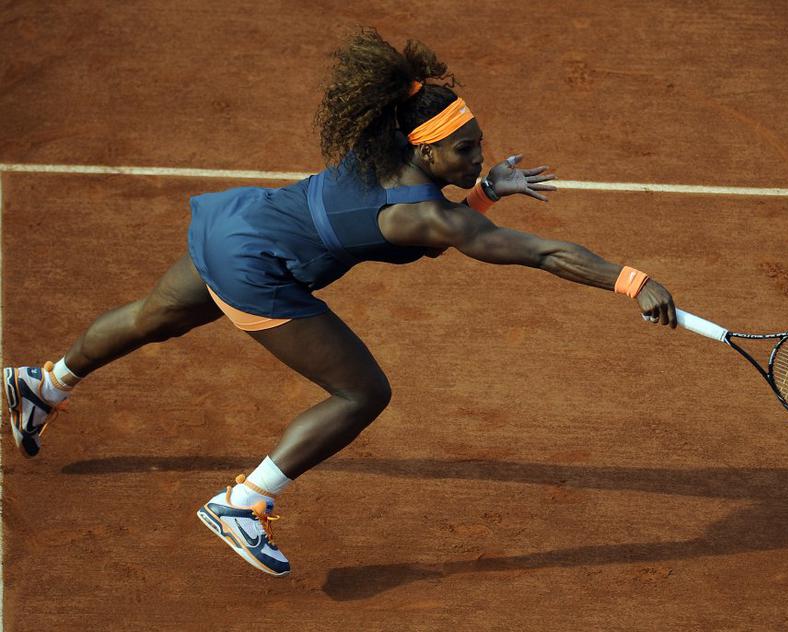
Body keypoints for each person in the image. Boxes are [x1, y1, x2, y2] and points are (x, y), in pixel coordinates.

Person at [2, 28, 677, 577]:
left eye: (478, 146)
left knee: (155, 317)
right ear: (423, 149)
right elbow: (541, 253)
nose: (478, 158)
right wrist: (632, 281)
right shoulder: (426, 217)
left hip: (239, 225)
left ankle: (43, 383)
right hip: (259, 269)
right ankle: (244, 503)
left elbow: (436, 222)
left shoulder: (379, 149)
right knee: (361, 393)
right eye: (465, 151)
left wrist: (486, 190)